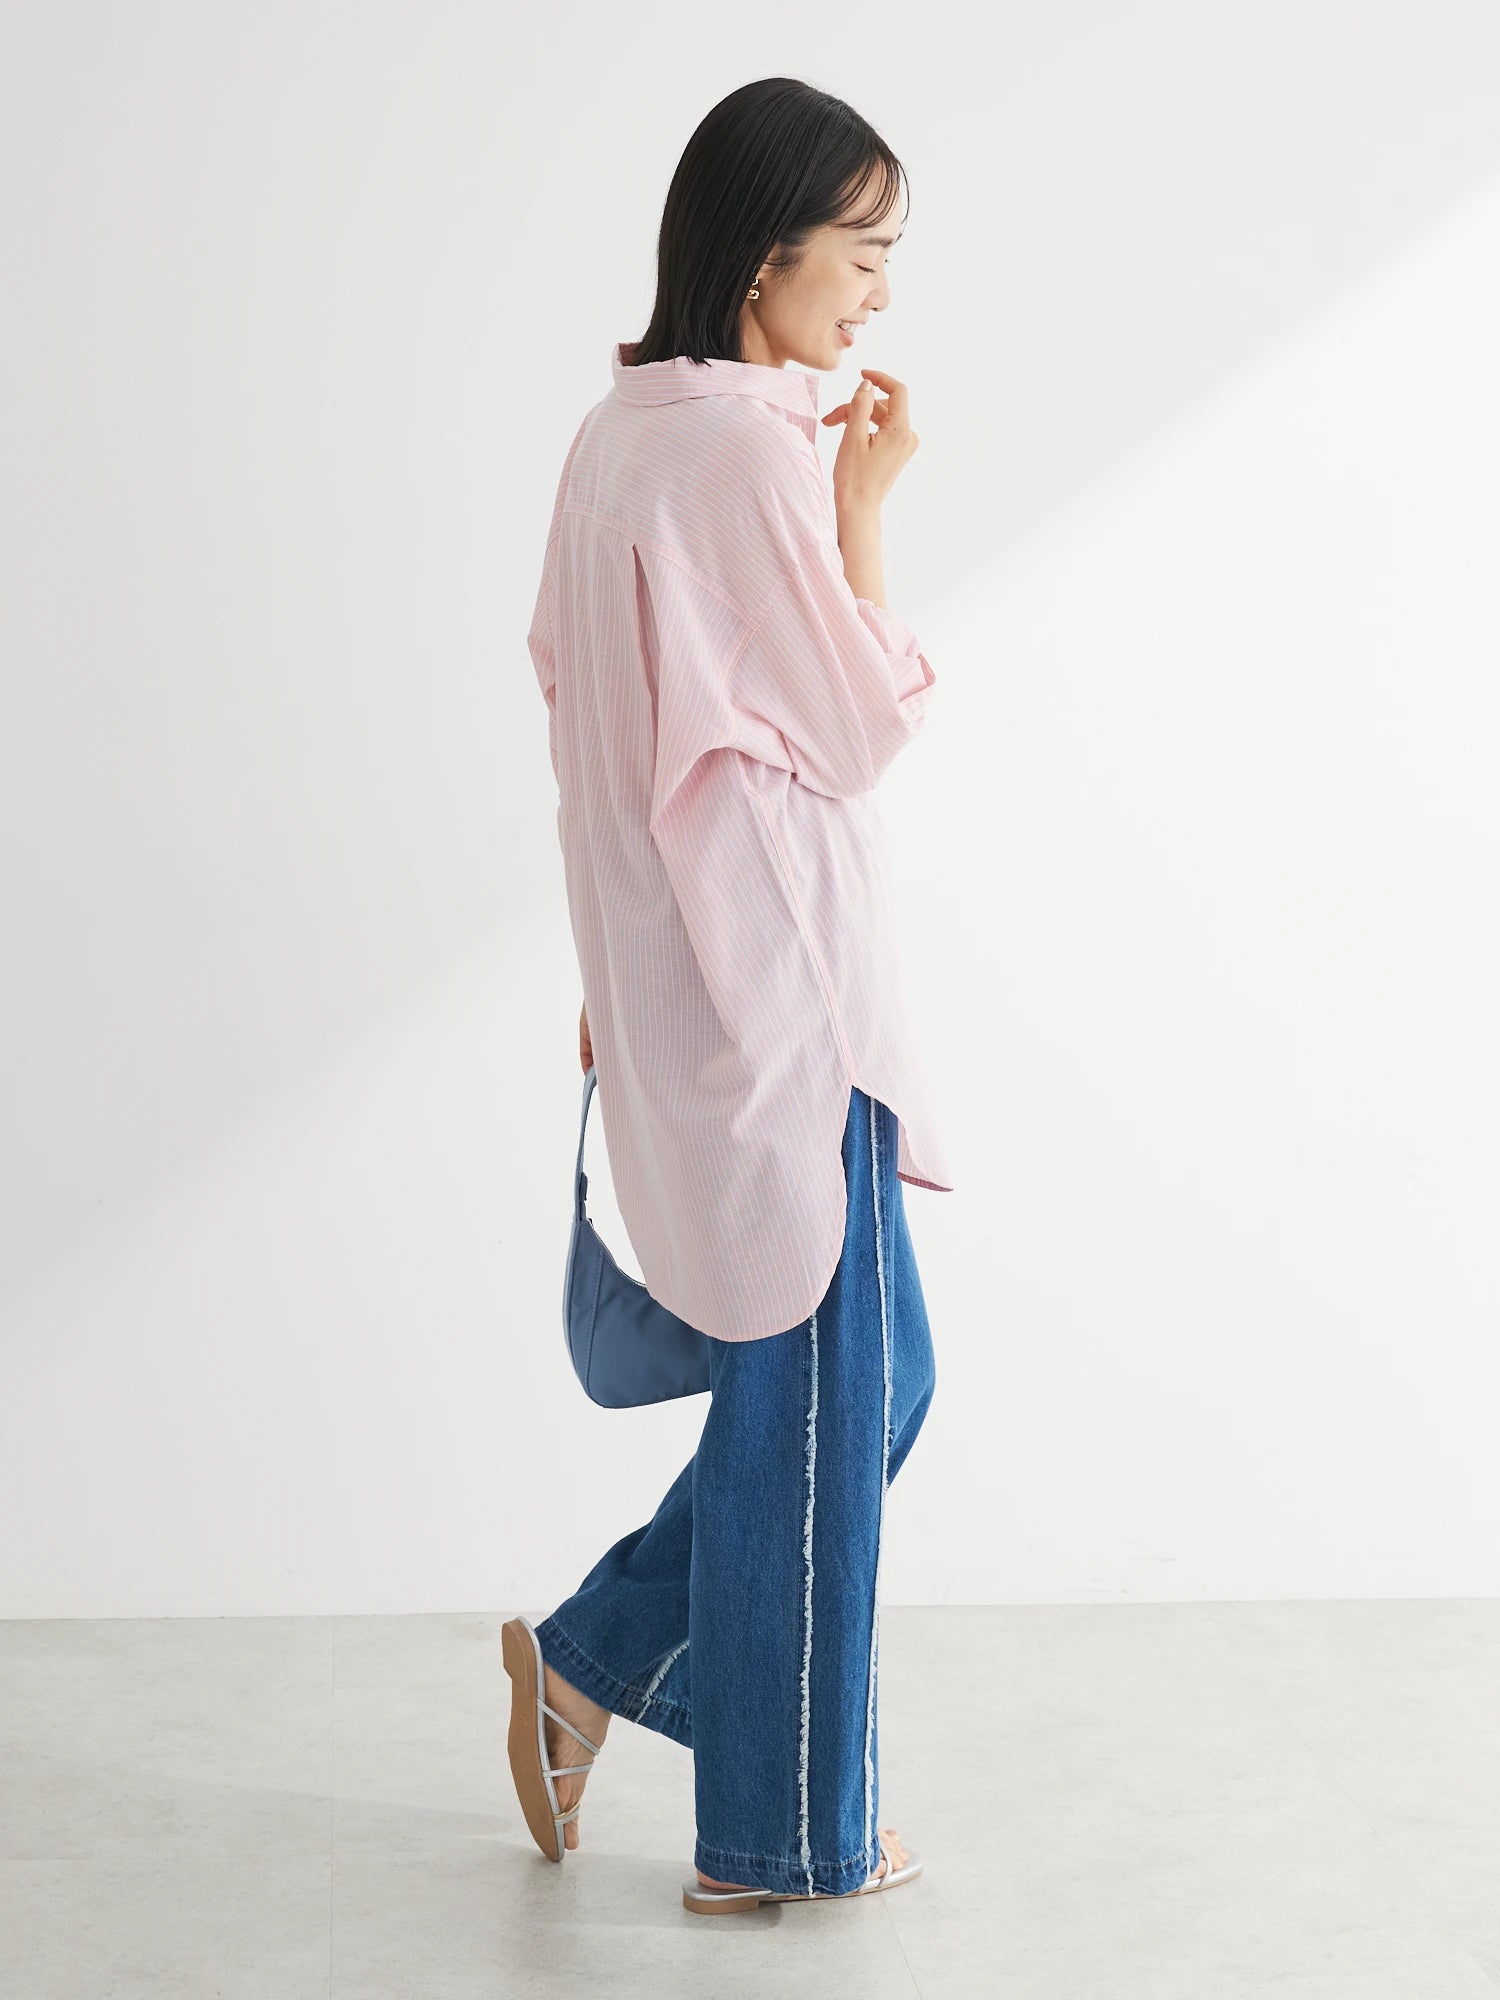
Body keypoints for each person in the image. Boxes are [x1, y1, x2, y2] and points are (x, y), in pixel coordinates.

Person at [508, 75, 953, 1912]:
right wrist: (865, 508)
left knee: (855, 1384)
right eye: (863, 255)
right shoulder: (750, 461)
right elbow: (856, 727)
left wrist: (607, 971)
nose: (879, 294)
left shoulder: (619, 438)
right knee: (825, 1415)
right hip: (780, 1005)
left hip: (686, 991)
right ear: (766, 256)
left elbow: (576, 721)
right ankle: (776, 1842)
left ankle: (597, 1655)